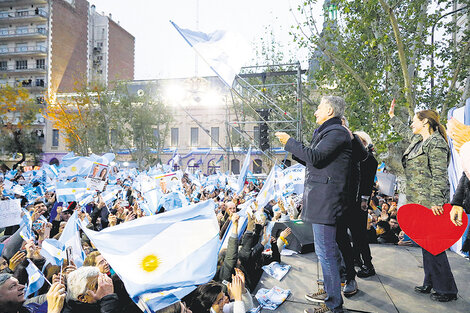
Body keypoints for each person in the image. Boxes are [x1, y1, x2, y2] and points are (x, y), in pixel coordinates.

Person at [276, 95, 352, 313]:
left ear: (329, 110)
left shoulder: (336, 132)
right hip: (323, 200)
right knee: (326, 252)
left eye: (319, 108)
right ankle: (330, 294)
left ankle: (333, 305)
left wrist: (289, 141)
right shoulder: (328, 132)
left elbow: (316, 157)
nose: (315, 112)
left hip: (326, 201)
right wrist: (294, 150)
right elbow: (315, 159)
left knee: (326, 252)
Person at [389, 99, 458, 302]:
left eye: (414, 121)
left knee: (434, 246)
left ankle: (446, 289)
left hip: (431, 203)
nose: (412, 124)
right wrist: (392, 118)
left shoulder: (436, 143)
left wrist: (437, 202)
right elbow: (405, 132)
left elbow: (439, 175)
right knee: (426, 245)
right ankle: (431, 282)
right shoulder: (419, 140)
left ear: (425, 122)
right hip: (418, 202)